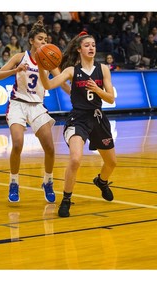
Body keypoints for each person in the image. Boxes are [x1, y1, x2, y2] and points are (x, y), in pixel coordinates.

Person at [37, 31, 117, 218]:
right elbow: (48, 86)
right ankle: (66, 200)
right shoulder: (72, 71)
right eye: (87, 45)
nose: (91, 48)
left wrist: (97, 89)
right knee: (75, 159)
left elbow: (111, 99)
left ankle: (101, 182)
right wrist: (42, 67)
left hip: (98, 118)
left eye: (93, 45)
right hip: (78, 119)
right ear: (80, 49)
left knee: (112, 163)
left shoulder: (103, 69)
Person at [0, 20, 69, 203]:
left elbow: (62, 81)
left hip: (37, 105)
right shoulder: (20, 57)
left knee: (50, 148)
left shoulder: (49, 59)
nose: (43, 42)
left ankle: (48, 181)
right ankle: (13, 182)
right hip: (18, 104)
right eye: (40, 39)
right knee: (18, 144)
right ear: (31, 41)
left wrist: (75, 93)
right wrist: (16, 69)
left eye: (45, 39)